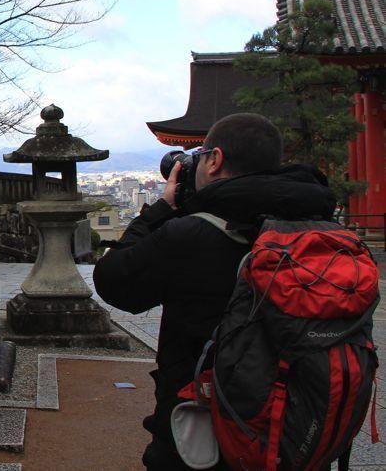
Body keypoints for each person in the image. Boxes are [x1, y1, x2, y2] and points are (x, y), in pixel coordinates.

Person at [93, 113, 337, 471]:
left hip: (206, 434)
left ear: (215, 159)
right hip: (297, 425)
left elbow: (112, 281)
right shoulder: (320, 227)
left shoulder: (192, 234)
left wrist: (161, 210)